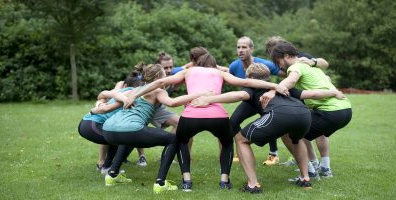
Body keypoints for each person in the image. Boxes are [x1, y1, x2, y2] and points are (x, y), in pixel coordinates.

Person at [123, 52, 287, 192]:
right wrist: (275, 85)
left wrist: (134, 94)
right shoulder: (219, 73)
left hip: (191, 115)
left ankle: (186, 181)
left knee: (181, 141)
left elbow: (160, 82)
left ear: (198, 63)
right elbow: (245, 82)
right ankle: (224, 181)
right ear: (214, 65)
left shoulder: (188, 71)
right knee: (227, 142)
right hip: (218, 116)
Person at [190, 63, 346, 192]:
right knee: (296, 139)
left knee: (241, 139)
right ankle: (305, 179)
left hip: (280, 114)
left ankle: (253, 185)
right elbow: (311, 94)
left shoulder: (253, 88)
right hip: (304, 115)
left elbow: (238, 97)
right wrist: (333, 92)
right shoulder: (281, 87)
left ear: (250, 78)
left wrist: (209, 99)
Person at [93, 63, 211, 193]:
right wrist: (200, 93)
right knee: (173, 139)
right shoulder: (158, 91)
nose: (166, 78)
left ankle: (112, 175)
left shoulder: (134, 90)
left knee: (128, 139)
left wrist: (97, 107)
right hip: (130, 128)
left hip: (109, 130)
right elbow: (173, 102)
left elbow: (108, 106)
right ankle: (160, 183)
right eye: (165, 76)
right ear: (157, 78)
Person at [271, 41, 352, 178]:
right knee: (301, 129)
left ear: (285, 56)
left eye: (278, 61)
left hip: (331, 112)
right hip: (345, 110)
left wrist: (273, 90)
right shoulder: (312, 67)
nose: (279, 66)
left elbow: (290, 82)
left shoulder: (296, 67)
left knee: (288, 132)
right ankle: (322, 168)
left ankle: (309, 171)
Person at [263, 35, 330, 167]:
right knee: (301, 131)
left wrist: (313, 62)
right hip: (302, 96)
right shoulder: (281, 64)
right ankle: (312, 162)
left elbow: (324, 63)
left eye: (275, 54)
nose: (275, 60)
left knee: (316, 132)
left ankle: (323, 165)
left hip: (314, 96)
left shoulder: (300, 57)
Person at [228, 36, 285, 165]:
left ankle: (273, 154)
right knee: (233, 122)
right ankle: (240, 151)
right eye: (238, 47)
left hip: (264, 100)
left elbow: (287, 74)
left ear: (251, 49)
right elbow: (227, 77)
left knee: (270, 123)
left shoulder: (265, 64)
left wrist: (274, 90)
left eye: (244, 47)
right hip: (248, 101)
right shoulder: (234, 66)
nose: (241, 50)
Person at [78, 73, 140, 174]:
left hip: (87, 123)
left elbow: (103, 94)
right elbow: (106, 106)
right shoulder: (129, 93)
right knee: (119, 138)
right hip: (92, 125)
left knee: (117, 137)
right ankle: (107, 167)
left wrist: (98, 103)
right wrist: (94, 110)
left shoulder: (120, 91)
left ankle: (105, 166)